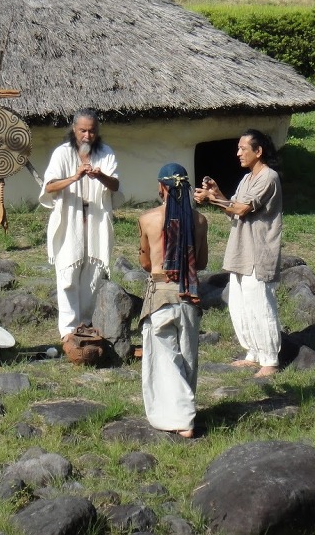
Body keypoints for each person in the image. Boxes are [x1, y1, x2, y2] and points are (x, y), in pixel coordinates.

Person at [194, 129, 283, 378]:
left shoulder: (269, 177)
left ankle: (270, 358)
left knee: (260, 304)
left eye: (243, 148)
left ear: (258, 151)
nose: (238, 153)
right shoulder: (246, 180)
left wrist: (212, 200)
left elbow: (243, 208)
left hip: (259, 251)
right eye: (238, 148)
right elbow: (232, 209)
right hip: (241, 249)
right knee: (240, 304)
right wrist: (217, 193)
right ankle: (253, 353)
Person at [138, 163, 208, 438]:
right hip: (189, 296)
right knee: (187, 359)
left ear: (162, 188)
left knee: (164, 360)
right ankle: (185, 413)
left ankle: (180, 418)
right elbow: (200, 262)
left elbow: (145, 262)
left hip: (160, 297)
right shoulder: (200, 221)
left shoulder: (147, 219)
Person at [38, 108, 120, 342]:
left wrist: (99, 176)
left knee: (93, 275)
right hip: (69, 221)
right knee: (67, 275)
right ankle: (68, 330)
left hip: (95, 221)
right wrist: (74, 177)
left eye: (92, 131)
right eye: (83, 130)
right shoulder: (62, 154)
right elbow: (49, 187)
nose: (87, 136)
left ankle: (86, 323)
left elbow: (115, 185)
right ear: (74, 129)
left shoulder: (105, 153)